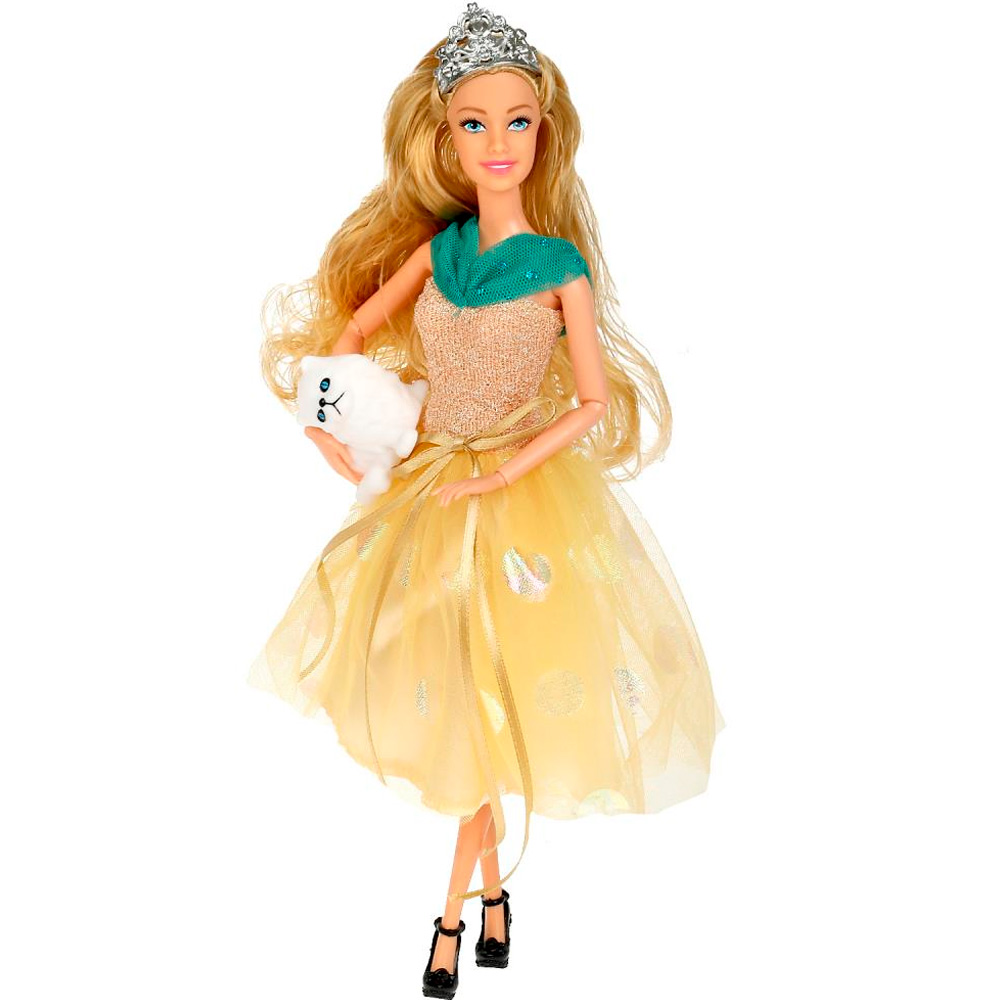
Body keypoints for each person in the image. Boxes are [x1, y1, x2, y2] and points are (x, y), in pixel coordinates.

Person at [248, 5, 725, 996]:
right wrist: (330, 423)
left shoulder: (559, 271)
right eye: (474, 123)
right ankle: (494, 900)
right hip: (427, 496)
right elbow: (347, 337)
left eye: (517, 121)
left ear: (544, 131)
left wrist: (507, 473)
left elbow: (591, 402)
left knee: (489, 707)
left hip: (519, 511)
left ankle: (452, 919)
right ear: (443, 138)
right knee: (459, 707)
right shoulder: (440, 252)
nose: (498, 142)